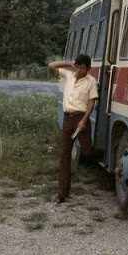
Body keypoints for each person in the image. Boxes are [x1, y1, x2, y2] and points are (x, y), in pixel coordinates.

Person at [48, 54, 100, 203]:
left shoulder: (91, 81)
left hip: (80, 118)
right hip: (67, 119)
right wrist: (69, 64)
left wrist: (84, 120)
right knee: (64, 155)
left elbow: (91, 103)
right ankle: (62, 194)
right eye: (78, 67)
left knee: (87, 152)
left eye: (83, 68)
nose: (80, 70)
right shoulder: (69, 75)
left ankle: (102, 155)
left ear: (88, 68)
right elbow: (51, 65)